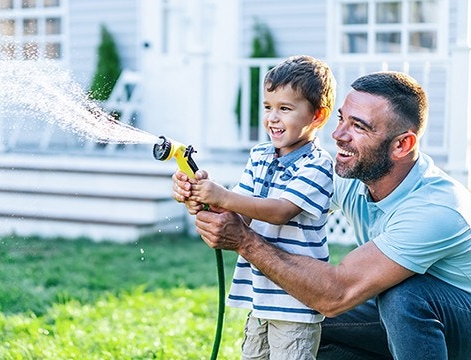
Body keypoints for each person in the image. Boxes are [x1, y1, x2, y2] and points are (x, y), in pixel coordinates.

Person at [173, 71, 471, 359]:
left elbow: (336, 293)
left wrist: (244, 242)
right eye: (342, 118)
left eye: (359, 127)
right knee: (301, 318)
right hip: (405, 321)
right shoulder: (348, 175)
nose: (338, 134)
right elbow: (265, 207)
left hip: (460, 321)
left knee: (405, 298)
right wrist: (207, 199)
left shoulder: (437, 208)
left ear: (402, 144)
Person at [186, 55, 336, 359]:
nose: (272, 118)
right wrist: (200, 196)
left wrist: (221, 196)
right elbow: (240, 211)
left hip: (296, 305)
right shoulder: (260, 155)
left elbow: (281, 210)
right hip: (260, 297)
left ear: (317, 117)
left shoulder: (318, 164)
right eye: (268, 107)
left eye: (285, 108)